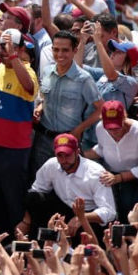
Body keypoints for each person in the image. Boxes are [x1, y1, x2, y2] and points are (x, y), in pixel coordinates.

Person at [30, 31, 104, 176]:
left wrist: (79, 129)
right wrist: (39, 108)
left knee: (67, 185)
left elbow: (100, 109)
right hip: (44, 140)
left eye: (65, 50)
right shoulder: (47, 72)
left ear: (74, 51)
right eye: (56, 49)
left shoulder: (84, 78)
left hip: (68, 141)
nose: (60, 54)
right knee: (40, 183)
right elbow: (44, 97)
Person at [0, 29, 38, 235]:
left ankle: (21, 244)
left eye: (7, 46)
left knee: (14, 198)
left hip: (15, 149)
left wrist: (14, 57)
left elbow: (28, 87)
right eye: (1, 45)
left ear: (18, 49)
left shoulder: (26, 69)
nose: (2, 50)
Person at [19, 133, 116, 239]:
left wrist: (81, 218)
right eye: (60, 155)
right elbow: (35, 192)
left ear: (78, 152)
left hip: (88, 214)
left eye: (68, 155)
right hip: (63, 210)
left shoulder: (96, 173)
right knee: (34, 198)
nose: (64, 160)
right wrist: (26, 221)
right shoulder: (51, 165)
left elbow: (109, 211)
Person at [84, 101, 138, 224]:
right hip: (119, 175)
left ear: (124, 117)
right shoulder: (100, 128)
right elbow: (102, 149)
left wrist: (117, 178)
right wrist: (81, 154)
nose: (113, 131)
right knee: (124, 206)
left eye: (117, 126)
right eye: (109, 127)